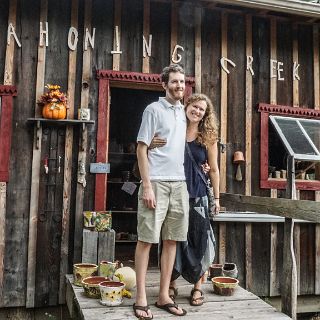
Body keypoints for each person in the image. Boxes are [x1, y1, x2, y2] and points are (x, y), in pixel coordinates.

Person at [152, 93, 220, 307]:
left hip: (198, 195)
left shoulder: (208, 137)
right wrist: (151, 143)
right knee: (171, 240)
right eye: (194, 106)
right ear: (186, 106)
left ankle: (198, 287)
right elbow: (156, 153)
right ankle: (171, 284)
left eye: (202, 109)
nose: (197, 111)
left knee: (198, 242)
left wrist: (216, 198)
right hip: (173, 193)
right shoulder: (175, 128)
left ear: (205, 114)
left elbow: (215, 169)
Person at [133, 64, 189, 319]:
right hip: (155, 182)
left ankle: (164, 295)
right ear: (164, 85)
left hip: (179, 183)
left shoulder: (183, 112)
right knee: (146, 239)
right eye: (175, 82)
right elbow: (141, 148)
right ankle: (141, 297)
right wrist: (146, 186)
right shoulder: (153, 110)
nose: (179, 85)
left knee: (172, 240)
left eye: (182, 82)